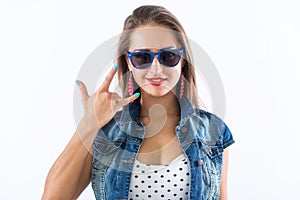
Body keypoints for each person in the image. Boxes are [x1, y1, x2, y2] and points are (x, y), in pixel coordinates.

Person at [42, 5, 235, 200]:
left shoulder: (213, 132)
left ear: (183, 59)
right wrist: (89, 122)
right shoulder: (106, 132)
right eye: (142, 57)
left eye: (168, 56)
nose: (156, 68)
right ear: (128, 61)